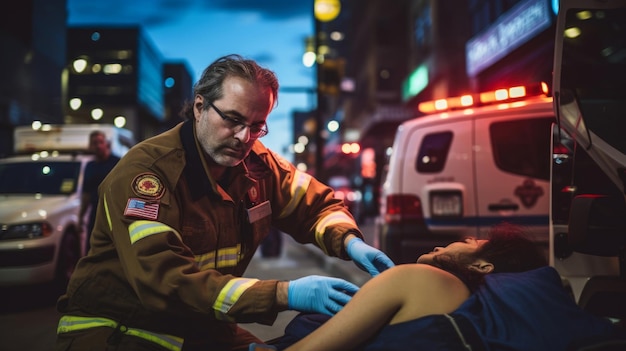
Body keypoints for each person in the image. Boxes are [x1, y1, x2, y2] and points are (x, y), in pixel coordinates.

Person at [55, 54, 394, 351]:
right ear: (199, 106)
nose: (244, 138)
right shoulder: (148, 175)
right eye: (232, 119)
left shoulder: (258, 165)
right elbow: (165, 282)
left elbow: (315, 206)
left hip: (201, 324)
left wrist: (350, 242)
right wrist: (283, 294)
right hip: (120, 331)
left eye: (257, 126)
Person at [265, 223, 620, 351]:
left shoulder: (420, 279)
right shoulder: (476, 307)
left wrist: (282, 294)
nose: (449, 243)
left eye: (469, 240)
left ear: (483, 266)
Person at [78, 130, 121, 254]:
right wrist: (81, 218)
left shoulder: (117, 162)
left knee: (114, 247)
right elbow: (86, 194)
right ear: (90, 146)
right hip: (95, 213)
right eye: (94, 143)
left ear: (106, 143)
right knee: (93, 246)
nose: (98, 146)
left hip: (114, 211)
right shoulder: (90, 166)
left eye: (100, 142)